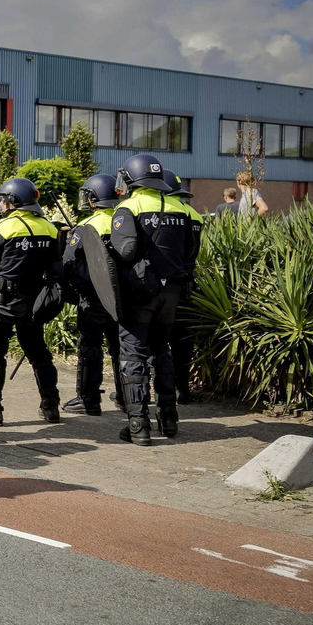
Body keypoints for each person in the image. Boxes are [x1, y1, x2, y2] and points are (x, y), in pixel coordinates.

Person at [109, 153, 200, 445]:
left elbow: (125, 251)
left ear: (132, 178)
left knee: (133, 356)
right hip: (171, 293)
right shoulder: (182, 209)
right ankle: (169, 420)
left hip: (139, 293)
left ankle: (139, 427)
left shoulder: (128, 207)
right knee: (162, 351)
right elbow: (189, 253)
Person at [0, 177, 64, 426]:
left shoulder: (2, 229)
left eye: (3, 200)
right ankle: (51, 406)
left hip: (4, 301)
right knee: (39, 353)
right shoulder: (49, 228)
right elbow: (56, 272)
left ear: (13, 201)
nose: (0, 205)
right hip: (35, 302)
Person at [61, 173, 125, 416]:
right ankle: (125, 397)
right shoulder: (125, 221)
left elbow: (68, 263)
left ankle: (88, 399)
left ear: (94, 199)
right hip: (122, 298)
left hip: (94, 297)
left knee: (90, 346)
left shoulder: (87, 226)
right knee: (121, 347)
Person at [165, 171, 206, 405]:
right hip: (188, 284)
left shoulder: (166, 212)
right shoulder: (193, 214)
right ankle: (183, 389)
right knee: (183, 342)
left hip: (164, 285)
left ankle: (166, 388)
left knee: (159, 340)